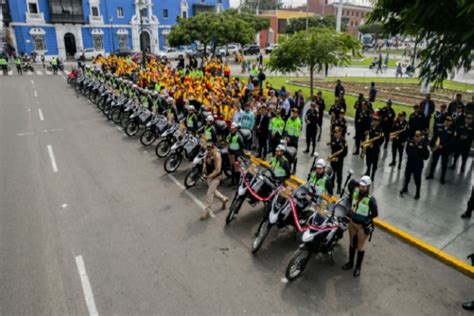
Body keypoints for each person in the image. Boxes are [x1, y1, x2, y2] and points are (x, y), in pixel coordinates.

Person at [343, 175, 378, 277]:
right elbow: (350, 185)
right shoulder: (355, 193)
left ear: (368, 187)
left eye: (364, 186)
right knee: (351, 243)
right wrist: (356, 181)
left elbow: (375, 213)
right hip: (352, 223)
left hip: (362, 227)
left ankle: (358, 267)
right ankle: (350, 262)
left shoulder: (371, 200)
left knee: (360, 246)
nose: (361, 188)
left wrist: (367, 219)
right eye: (360, 186)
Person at [200, 142, 229, 220]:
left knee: (209, 193)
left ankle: (207, 211)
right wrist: (204, 167)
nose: (209, 151)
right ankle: (224, 199)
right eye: (208, 149)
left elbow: (217, 170)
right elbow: (204, 160)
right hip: (208, 176)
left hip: (215, 178)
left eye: (210, 149)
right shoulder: (207, 152)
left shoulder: (217, 156)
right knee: (213, 192)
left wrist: (209, 176)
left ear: (213, 148)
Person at [400, 131, 430, 199]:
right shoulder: (410, 142)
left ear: (421, 137)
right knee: (407, 177)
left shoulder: (423, 145)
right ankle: (405, 188)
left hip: (418, 165)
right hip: (410, 163)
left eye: (418, 136)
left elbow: (426, 156)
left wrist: (420, 152)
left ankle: (417, 192)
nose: (416, 138)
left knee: (417, 179)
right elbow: (407, 150)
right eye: (415, 136)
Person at [426, 116, 456, 184]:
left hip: (444, 149)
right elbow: (434, 137)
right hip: (437, 148)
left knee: (444, 164)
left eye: (449, 120)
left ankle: (442, 178)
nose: (447, 121)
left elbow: (451, 141)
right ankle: (431, 174)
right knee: (434, 162)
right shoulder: (439, 128)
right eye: (446, 120)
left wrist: (443, 146)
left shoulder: (452, 131)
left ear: (451, 122)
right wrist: (431, 145)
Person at [364, 115, 384, 181]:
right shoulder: (370, 127)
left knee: (374, 163)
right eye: (374, 121)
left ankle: (372, 175)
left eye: (376, 121)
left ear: (378, 122)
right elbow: (368, 135)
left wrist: (376, 144)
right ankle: (368, 172)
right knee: (368, 161)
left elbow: (382, 140)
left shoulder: (380, 129)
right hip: (369, 147)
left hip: (375, 148)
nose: (374, 122)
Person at [329, 127, 348, 194]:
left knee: (339, 174)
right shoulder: (333, 139)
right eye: (334, 132)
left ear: (340, 133)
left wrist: (339, 157)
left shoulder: (344, 141)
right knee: (332, 173)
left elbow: (345, 153)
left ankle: (339, 187)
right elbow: (332, 148)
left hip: (339, 160)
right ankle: (332, 184)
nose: (335, 134)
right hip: (333, 159)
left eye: (336, 132)